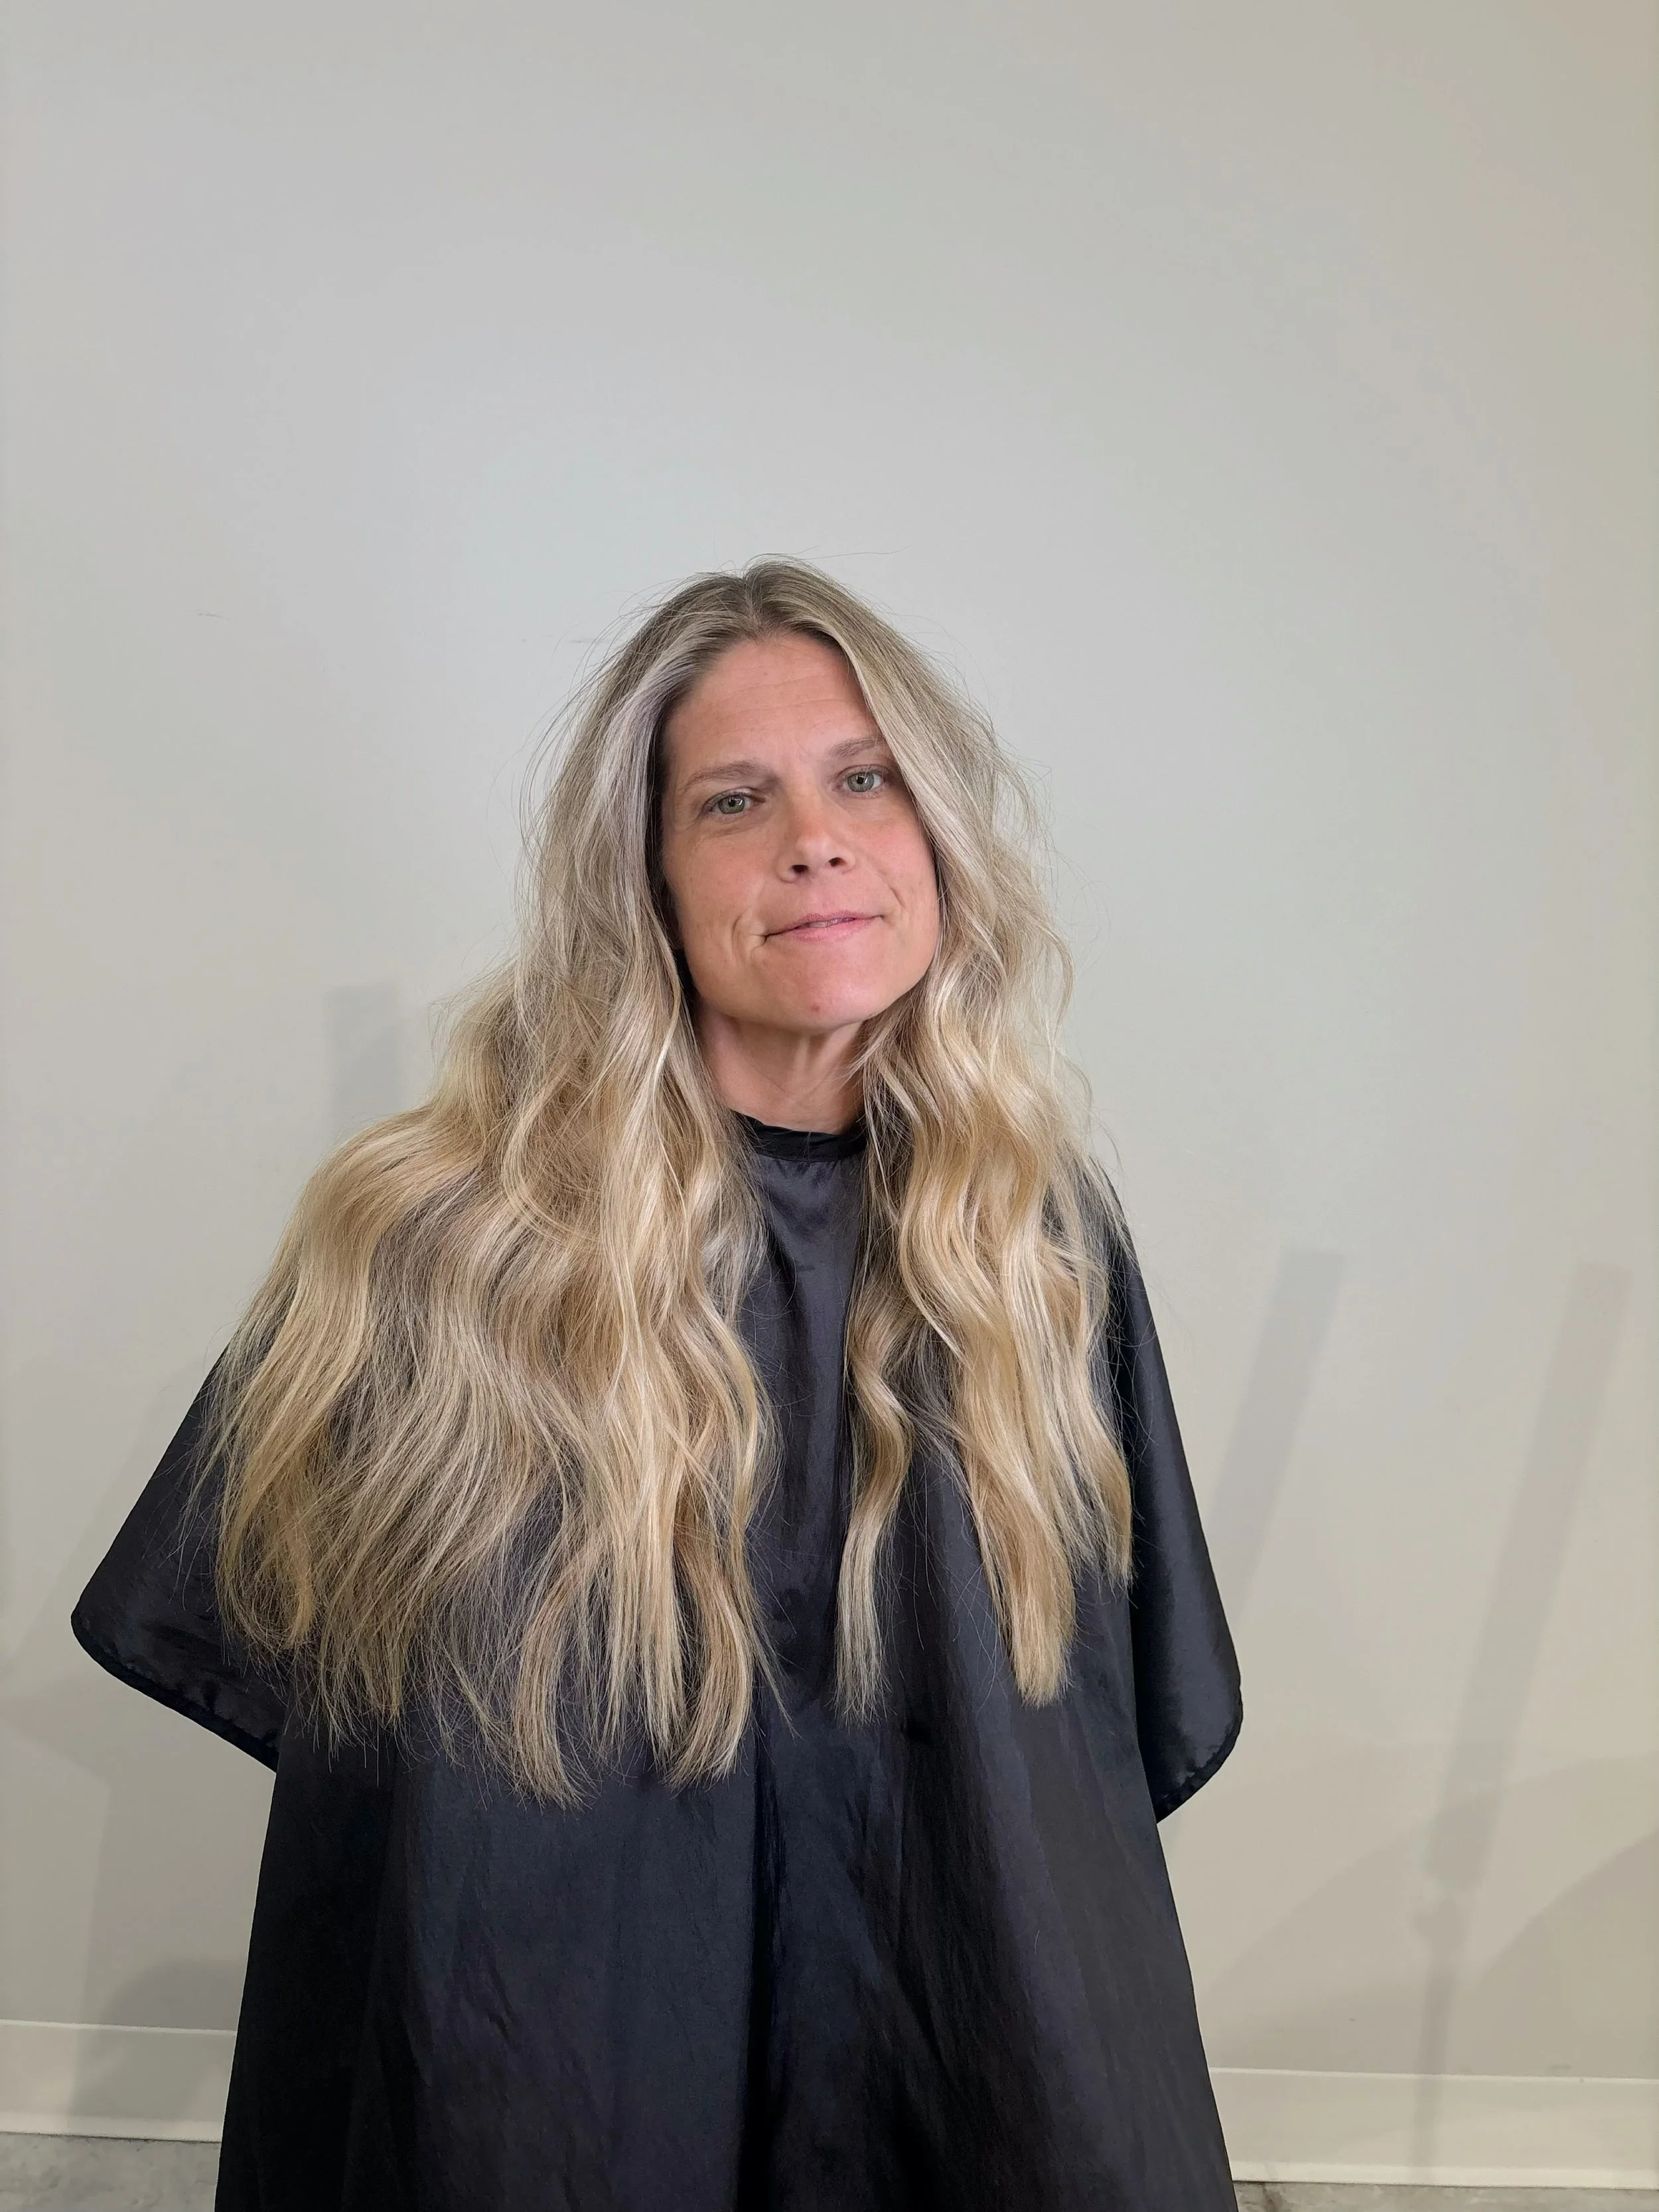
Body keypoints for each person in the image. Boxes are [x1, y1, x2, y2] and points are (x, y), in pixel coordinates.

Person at [72, 559, 1243, 2211]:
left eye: (865, 780)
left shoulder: (1032, 1245)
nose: (815, 839)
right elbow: (325, 1729)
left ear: (938, 843)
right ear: (646, 878)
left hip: (977, 2042)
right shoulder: (443, 1238)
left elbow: (1116, 1716)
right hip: (558, 2072)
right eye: (733, 801)